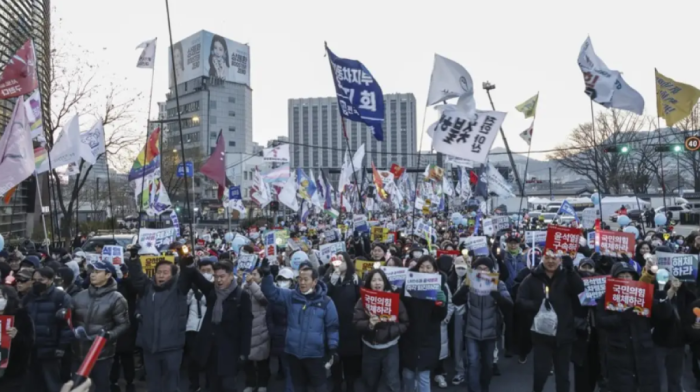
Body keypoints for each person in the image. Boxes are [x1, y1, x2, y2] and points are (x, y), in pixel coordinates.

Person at [126, 250, 200, 392]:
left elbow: (187, 275)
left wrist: (187, 262)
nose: (161, 275)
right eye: (159, 272)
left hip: (172, 348)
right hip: (149, 348)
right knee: (153, 384)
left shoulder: (179, 289)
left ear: (173, 275)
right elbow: (137, 278)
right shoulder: (147, 288)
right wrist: (134, 259)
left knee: (171, 384)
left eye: (165, 272)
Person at [260, 260, 339, 392]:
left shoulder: (326, 302)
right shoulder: (291, 296)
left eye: (306, 279)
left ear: (314, 282)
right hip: (293, 354)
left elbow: (332, 327)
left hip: (316, 356)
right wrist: (267, 275)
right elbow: (271, 292)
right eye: (300, 279)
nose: (302, 282)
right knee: (298, 387)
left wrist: (332, 349)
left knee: (319, 388)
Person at [596, 261, 669, 392]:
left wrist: (663, 297)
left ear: (634, 278)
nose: (625, 279)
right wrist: (621, 317)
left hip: (644, 351)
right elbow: (601, 321)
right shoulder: (606, 297)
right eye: (621, 276)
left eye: (628, 276)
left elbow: (663, 315)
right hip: (618, 351)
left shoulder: (643, 295)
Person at [517, 252, 584, 392]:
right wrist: (537, 305)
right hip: (541, 335)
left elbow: (580, 290)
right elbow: (520, 301)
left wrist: (571, 271)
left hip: (564, 334)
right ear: (542, 258)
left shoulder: (567, 276)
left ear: (560, 260)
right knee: (541, 373)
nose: (551, 261)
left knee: (563, 376)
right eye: (547, 257)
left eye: (555, 258)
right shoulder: (531, 278)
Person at [188, 260, 253, 392]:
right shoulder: (212, 292)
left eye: (222, 276)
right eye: (216, 276)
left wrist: (244, 353)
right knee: (213, 385)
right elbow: (197, 278)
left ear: (230, 276)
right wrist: (188, 262)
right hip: (211, 350)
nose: (219, 280)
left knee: (228, 386)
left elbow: (247, 327)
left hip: (230, 350)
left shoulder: (241, 296)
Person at [453, 257, 513, 392]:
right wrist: (465, 288)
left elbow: (509, 305)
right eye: (479, 268)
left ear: (491, 270)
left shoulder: (499, 283)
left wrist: (496, 294)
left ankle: (484, 387)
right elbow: (455, 300)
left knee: (488, 364)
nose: (482, 271)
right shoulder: (468, 282)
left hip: (490, 331)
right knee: (472, 363)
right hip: (471, 331)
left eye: (485, 269)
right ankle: (474, 389)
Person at [70, 260, 129, 392]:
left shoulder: (117, 298)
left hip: (101, 355)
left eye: (97, 272)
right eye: (92, 271)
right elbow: (69, 318)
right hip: (78, 354)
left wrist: (108, 336)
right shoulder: (79, 296)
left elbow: (124, 324)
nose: (92, 275)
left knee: (101, 388)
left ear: (108, 275)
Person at [352, 269, 408, 392]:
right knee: (369, 380)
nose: (377, 283)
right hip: (370, 347)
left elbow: (404, 323)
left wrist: (389, 332)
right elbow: (356, 322)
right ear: (369, 283)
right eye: (374, 280)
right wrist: (369, 325)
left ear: (384, 282)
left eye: (379, 280)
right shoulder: (363, 300)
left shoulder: (394, 300)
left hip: (390, 348)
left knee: (392, 381)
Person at [400, 256, 449, 392]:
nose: (425, 270)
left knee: (423, 375)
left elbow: (440, 316)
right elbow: (402, 306)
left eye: (429, 267)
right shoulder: (409, 284)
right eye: (422, 267)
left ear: (434, 270)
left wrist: (441, 304)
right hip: (409, 336)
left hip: (429, 337)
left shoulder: (440, 288)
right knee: (408, 374)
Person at [23, 267, 74, 392]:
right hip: (31, 349)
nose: (37, 282)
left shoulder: (61, 297)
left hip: (51, 349)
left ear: (51, 280)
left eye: (41, 279)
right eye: (34, 280)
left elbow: (67, 326)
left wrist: (61, 347)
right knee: (32, 384)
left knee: (52, 384)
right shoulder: (29, 297)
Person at [324, 253, 362, 392]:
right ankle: (336, 384)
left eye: (342, 260)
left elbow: (362, 298)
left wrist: (358, 284)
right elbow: (322, 295)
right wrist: (332, 282)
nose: (339, 263)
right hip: (333, 324)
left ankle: (350, 384)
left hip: (350, 325)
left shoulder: (355, 279)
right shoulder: (329, 278)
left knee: (350, 359)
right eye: (336, 260)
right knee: (335, 357)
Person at [184, 258, 213, 392]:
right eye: (203, 270)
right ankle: (194, 384)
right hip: (192, 326)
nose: (206, 273)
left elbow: (208, 302)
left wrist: (198, 291)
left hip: (207, 327)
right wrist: (191, 290)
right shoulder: (193, 283)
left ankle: (209, 384)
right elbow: (185, 302)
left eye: (209, 270)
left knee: (208, 358)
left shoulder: (215, 285)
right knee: (192, 359)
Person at [0, 285, 34, 392]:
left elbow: (30, 343)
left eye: (1, 296)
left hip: (12, 370)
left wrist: (17, 336)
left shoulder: (21, 316)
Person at [266, 267, 295, 392]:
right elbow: (269, 317)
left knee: (292, 369)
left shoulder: (296, 296)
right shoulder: (274, 297)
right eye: (280, 279)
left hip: (294, 338)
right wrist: (274, 332)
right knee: (287, 367)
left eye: (285, 279)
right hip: (280, 337)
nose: (283, 282)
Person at [243, 268, 271, 392]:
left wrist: (251, 284)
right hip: (247, 327)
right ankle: (250, 383)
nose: (252, 276)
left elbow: (263, 299)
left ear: (261, 276)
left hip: (261, 328)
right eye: (251, 274)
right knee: (247, 360)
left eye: (255, 274)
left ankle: (262, 384)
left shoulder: (265, 287)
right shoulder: (246, 286)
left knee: (262, 361)